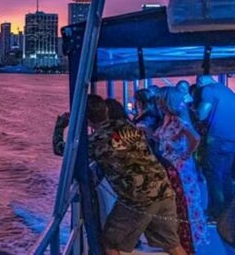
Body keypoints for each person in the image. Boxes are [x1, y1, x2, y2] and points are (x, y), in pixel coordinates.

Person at [87, 94, 186, 255]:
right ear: (106, 111)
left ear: (87, 121)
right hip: (163, 188)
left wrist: (60, 127)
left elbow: (62, 150)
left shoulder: (94, 142)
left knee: (110, 242)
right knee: (172, 245)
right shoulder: (127, 125)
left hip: (138, 198)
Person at [154, 87, 209, 252]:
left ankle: (188, 242)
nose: (158, 104)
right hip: (171, 167)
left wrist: (186, 154)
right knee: (177, 205)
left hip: (180, 170)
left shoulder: (178, 120)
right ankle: (181, 242)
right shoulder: (168, 119)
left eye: (160, 101)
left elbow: (195, 138)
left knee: (185, 205)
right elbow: (160, 138)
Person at [195, 75, 235, 219]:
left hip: (216, 138)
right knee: (226, 175)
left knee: (213, 175)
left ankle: (217, 213)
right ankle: (229, 213)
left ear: (200, 81)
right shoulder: (228, 91)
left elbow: (201, 114)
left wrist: (194, 110)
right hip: (232, 139)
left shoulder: (208, 90)